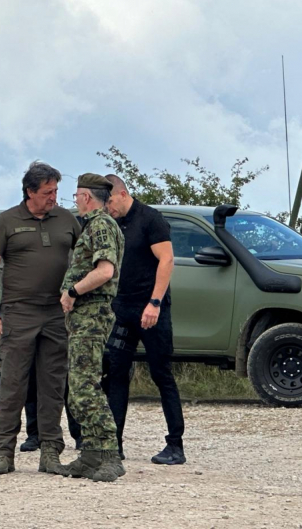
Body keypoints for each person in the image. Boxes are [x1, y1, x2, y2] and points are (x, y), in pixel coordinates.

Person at [0, 161, 81, 475]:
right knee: (13, 385)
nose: (54, 197)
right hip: (19, 312)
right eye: (48, 192)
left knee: (53, 384)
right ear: (30, 192)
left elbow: (85, 258)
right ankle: (3, 453)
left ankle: (50, 452)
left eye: (56, 191)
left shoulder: (66, 219)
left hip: (57, 313)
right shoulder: (7, 221)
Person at [104, 174, 186, 465]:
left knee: (161, 374)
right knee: (116, 373)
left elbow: (167, 260)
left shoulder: (151, 219)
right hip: (122, 310)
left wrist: (155, 302)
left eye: (110, 201)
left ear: (122, 194)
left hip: (151, 310)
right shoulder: (112, 223)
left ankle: (175, 445)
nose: (108, 207)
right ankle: (113, 444)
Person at [54, 173, 125, 483]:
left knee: (85, 386)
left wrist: (72, 292)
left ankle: (109, 454)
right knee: (79, 385)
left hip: (92, 313)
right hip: (85, 315)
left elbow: (105, 271)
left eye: (76, 196)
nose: (75, 202)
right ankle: (91, 455)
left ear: (85, 197)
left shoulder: (100, 225)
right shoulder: (98, 225)